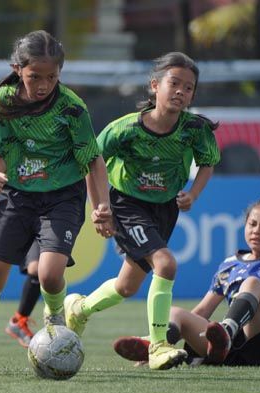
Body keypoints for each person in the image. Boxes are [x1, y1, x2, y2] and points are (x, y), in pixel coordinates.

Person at [0, 30, 113, 375]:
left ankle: (55, 322)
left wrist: (102, 207)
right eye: (34, 76)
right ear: (17, 68)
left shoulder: (71, 108)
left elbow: (93, 161)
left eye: (51, 77)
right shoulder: (4, 101)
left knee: (50, 275)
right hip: (18, 195)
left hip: (63, 196)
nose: (43, 84)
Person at [64, 51, 221, 370]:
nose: (180, 91)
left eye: (188, 87)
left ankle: (80, 309)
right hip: (127, 204)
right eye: (173, 83)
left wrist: (192, 193)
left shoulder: (195, 129)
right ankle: (159, 346)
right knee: (166, 263)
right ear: (154, 86)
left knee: (127, 286)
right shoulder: (124, 129)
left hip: (164, 209)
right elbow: (91, 164)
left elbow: (207, 164)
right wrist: (101, 208)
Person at [113, 199, 260, 367]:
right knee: (174, 312)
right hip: (231, 350)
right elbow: (203, 311)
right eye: (252, 224)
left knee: (252, 283)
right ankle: (158, 347)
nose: (257, 231)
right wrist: (182, 327)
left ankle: (227, 333)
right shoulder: (229, 265)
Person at [0, 167, 41, 348]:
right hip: (3, 216)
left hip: (38, 215)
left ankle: (20, 321)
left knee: (41, 271)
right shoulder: (5, 147)